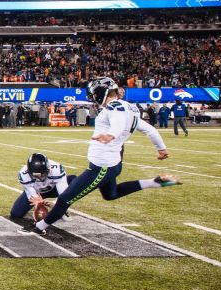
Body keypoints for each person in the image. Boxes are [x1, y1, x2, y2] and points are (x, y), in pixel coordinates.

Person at [35, 77, 181, 233]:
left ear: (99, 93)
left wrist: (111, 134)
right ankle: (155, 182)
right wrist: (161, 148)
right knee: (111, 194)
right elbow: (150, 129)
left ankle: (39, 227)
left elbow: (117, 121)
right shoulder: (128, 107)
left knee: (65, 199)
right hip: (113, 163)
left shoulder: (114, 107)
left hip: (101, 166)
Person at [10, 153, 76, 220]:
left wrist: (56, 204)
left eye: (42, 174)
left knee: (74, 181)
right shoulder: (23, 174)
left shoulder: (56, 169)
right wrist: (38, 203)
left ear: (48, 168)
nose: (40, 178)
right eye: (36, 176)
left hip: (54, 189)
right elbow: (30, 191)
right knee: (16, 213)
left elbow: (63, 192)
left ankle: (63, 210)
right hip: (37, 191)